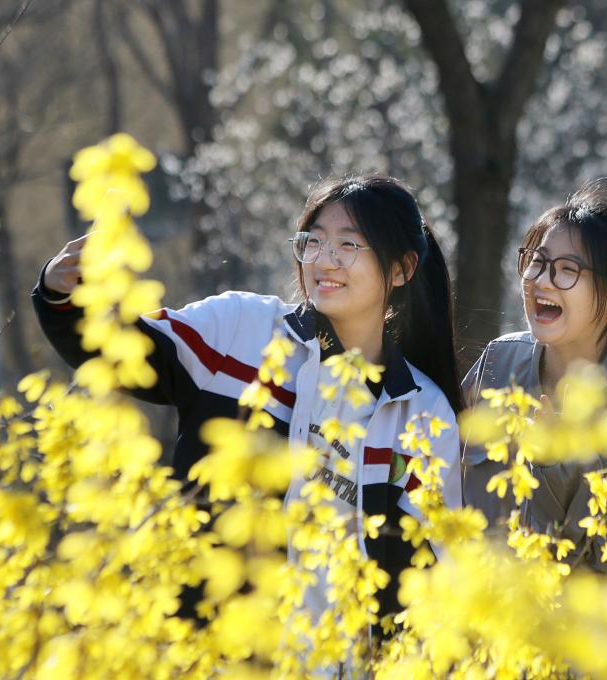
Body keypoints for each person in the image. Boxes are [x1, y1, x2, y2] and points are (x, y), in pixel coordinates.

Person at [34, 173, 464, 627]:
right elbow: (125, 353)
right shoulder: (240, 328)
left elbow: (430, 568)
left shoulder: (420, 411)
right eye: (313, 242)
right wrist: (62, 293)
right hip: (206, 651)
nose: (325, 260)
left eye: (349, 246)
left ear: (402, 269)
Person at [461, 180, 607, 599]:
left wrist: (560, 469)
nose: (542, 281)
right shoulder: (500, 362)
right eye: (537, 262)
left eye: (568, 270)